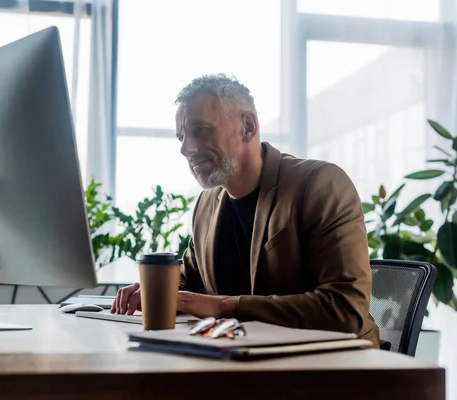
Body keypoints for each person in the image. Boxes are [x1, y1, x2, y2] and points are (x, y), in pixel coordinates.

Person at [111, 73, 380, 347]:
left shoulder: (320, 184)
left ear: (247, 126)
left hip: (334, 369)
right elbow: (188, 285)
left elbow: (346, 309)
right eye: (181, 137)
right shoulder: (206, 204)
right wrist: (154, 292)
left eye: (199, 130)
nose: (185, 149)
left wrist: (226, 306)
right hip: (244, 362)